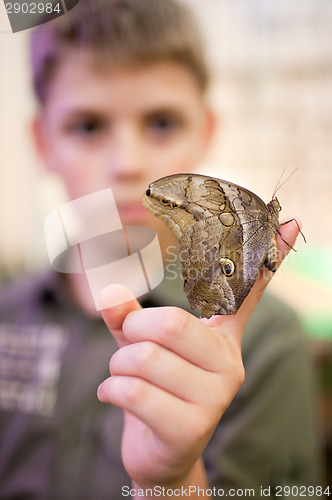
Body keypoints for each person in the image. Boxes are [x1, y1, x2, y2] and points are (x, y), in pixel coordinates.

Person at [0, 0, 320, 498]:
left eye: (162, 123)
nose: (126, 164)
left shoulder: (267, 339)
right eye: (87, 126)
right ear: (43, 144)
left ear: (206, 131)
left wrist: (168, 481)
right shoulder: (6, 313)